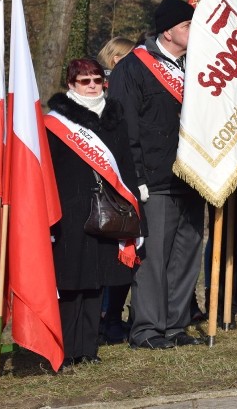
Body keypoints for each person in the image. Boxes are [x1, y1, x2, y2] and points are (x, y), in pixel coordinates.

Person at [109, 0, 205, 349]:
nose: (195, 31)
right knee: (153, 259)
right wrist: (137, 179)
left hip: (193, 178)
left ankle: (175, 325)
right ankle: (147, 329)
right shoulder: (133, 68)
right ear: (167, 31)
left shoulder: (200, 65)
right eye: (187, 26)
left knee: (185, 256)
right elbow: (125, 128)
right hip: (154, 179)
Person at [45, 58, 140, 367]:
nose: (92, 87)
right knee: (70, 282)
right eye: (84, 81)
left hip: (107, 210)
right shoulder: (56, 122)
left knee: (96, 280)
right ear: (71, 85)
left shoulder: (114, 116)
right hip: (68, 211)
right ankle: (67, 349)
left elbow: (125, 162)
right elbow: (46, 171)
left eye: (97, 80)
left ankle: (88, 349)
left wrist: (135, 203)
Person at [94, 36, 136, 345]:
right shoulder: (96, 95)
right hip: (100, 185)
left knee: (128, 251)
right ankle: (101, 315)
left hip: (126, 181)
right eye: (123, 58)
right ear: (111, 60)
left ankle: (114, 317)